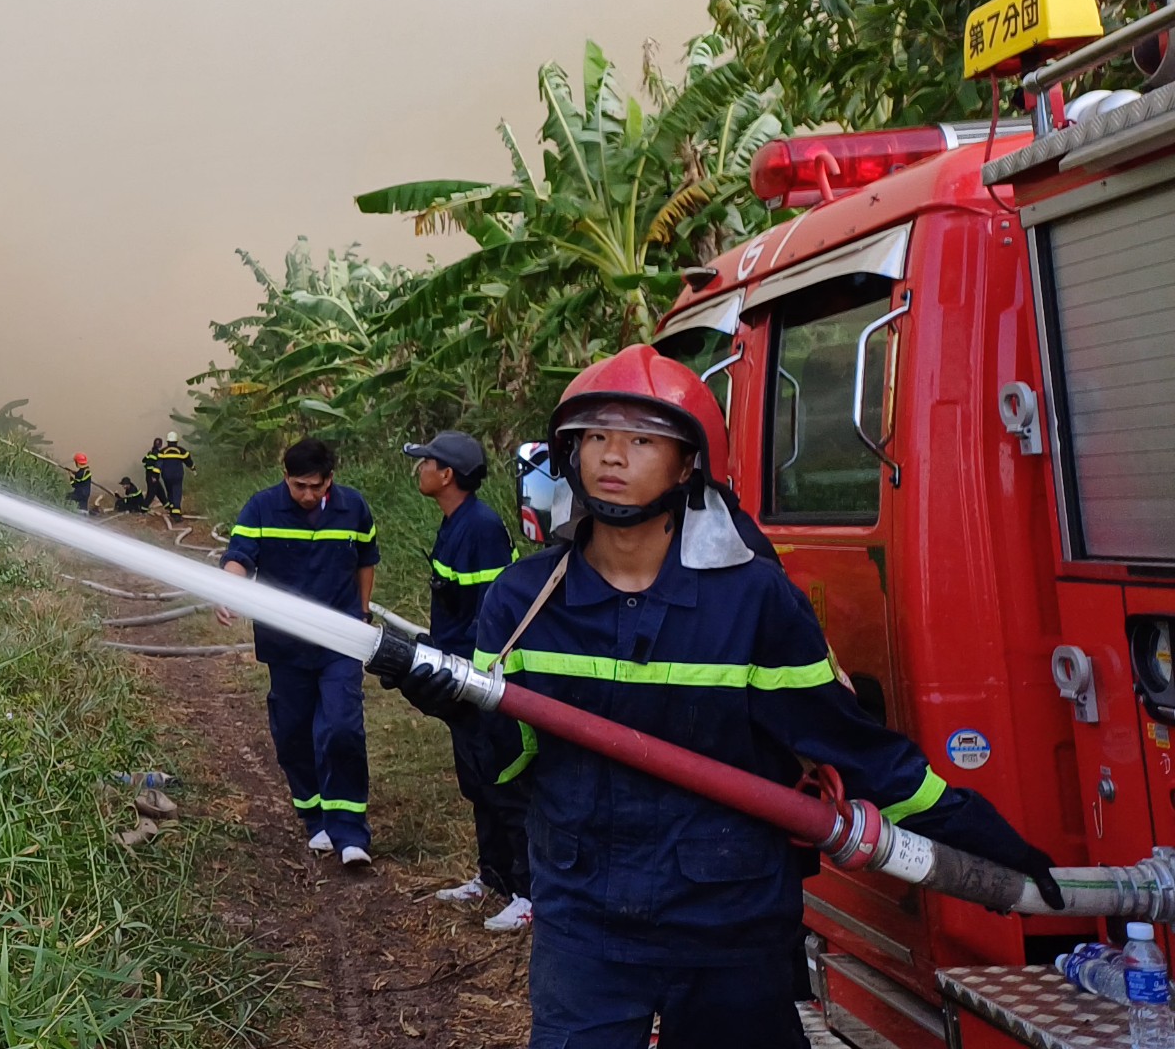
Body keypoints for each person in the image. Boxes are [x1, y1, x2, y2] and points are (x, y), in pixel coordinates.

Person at [385, 346, 1059, 1048]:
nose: (613, 456)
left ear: (688, 467)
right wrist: (456, 705)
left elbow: (848, 744)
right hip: (585, 922)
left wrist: (978, 832)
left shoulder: (753, 601)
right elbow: (509, 767)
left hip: (730, 925)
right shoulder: (524, 601)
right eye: (596, 438)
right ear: (570, 456)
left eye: (643, 440)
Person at [217, 436, 377, 865]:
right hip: (285, 643)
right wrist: (227, 591)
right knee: (292, 732)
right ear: (284, 478)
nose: (307, 495)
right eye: (298, 486)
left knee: (341, 727)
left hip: (339, 640)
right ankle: (315, 816)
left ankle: (350, 833)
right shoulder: (262, 508)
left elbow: (366, 558)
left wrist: (361, 612)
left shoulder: (354, 508)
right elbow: (239, 556)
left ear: (330, 481)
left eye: (316, 487)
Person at [404, 429, 531, 932]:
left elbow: (492, 614)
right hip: (457, 672)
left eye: (426, 462)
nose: (420, 470)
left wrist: (468, 676)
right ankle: (493, 877)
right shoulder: (454, 522)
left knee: (503, 784)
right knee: (477, 782)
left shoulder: (479, 529)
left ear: (447, 474)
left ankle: (527, 893)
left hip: (482, 678)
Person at [155, 434, 195, 516]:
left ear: (167, 441)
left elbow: (158, 465)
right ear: (176, 441)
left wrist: (155, 475)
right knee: (177, 491)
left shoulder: (162, 451)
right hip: (177, 475)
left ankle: (172, 509)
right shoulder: (181, 451)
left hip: (166, 476)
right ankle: (176, 511)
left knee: (170, 491)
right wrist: (193, 469)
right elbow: (188, 462)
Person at [142, 438, 168, 511]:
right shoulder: (157, 454)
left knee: (160, 491)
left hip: (150, 475)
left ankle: (166, 505)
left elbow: (143, 460)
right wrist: (154, 476)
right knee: (151, 493)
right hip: (153, 476)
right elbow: (154, 466)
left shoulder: (151, 453)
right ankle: (144, 508)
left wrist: (148, 455)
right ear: (160, 445)